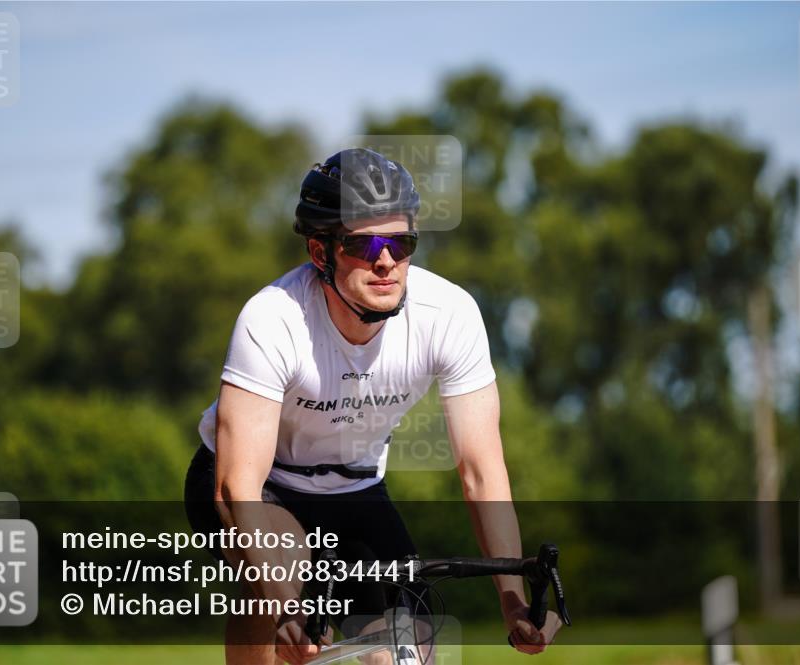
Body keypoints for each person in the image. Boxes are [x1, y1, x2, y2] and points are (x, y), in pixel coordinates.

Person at [185, 148, 561, 664]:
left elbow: (481, 472)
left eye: (401, 242)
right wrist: (284, 610)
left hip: (356, 488)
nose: (386, 260)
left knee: (407, 645)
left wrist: (513, 601)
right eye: (365, 244)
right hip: (260, 486)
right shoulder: (272, 319)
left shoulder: (449, 314)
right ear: (321, 252)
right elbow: (235, 490)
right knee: (282, 569)